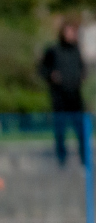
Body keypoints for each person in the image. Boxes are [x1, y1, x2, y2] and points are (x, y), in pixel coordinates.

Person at [38, 21, 88, 168]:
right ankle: (61, 159)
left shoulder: (76, 51)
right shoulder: (53, 50)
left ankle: (84, 159)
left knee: (81, 129)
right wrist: (51, 76)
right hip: (59, 97)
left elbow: (82, 68)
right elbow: (42, 69)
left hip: (75, 96)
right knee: (60, 129)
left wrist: (80, 77)